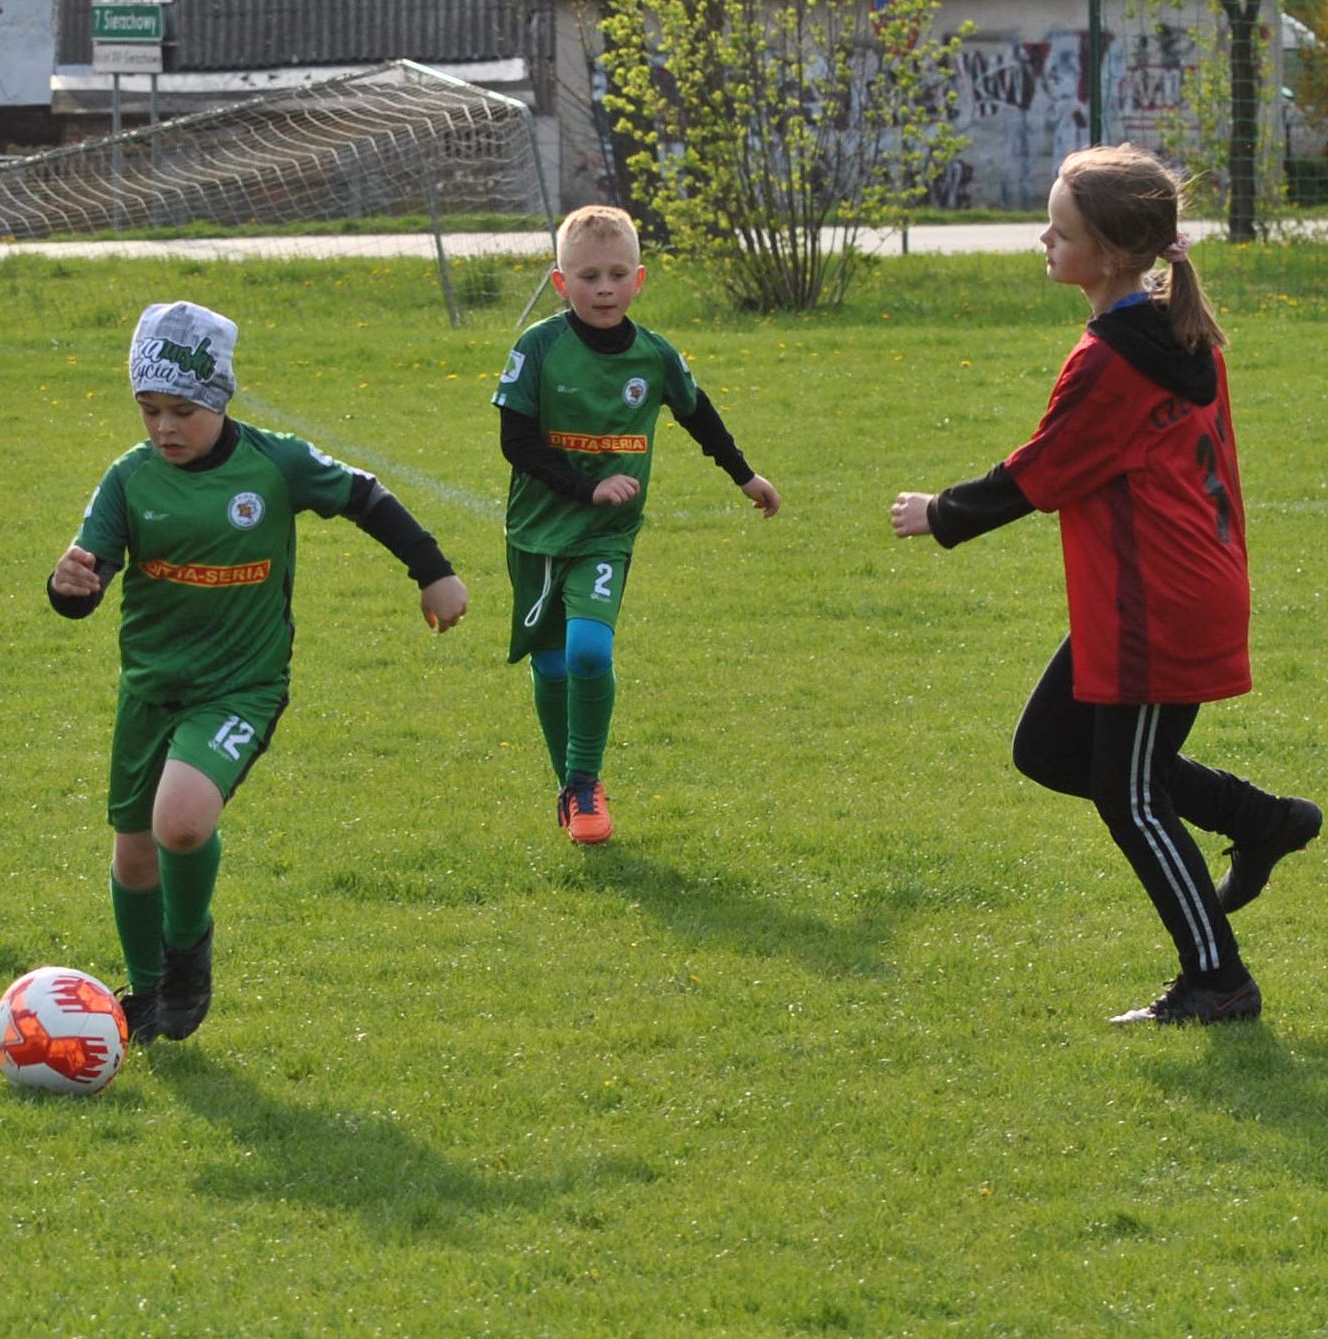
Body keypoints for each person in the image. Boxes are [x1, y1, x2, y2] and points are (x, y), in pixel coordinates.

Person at [889, 145, 1321, 1026]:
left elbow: (1044, 469)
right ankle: (1260, 820)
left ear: (1115, 253)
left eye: (1062, 229)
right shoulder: (1175, 334)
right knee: (1050, 749)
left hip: (1156, 606)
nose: (1043, 239)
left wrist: (943, 512)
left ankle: (1218, 979)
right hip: (1153, 596)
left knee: (1131, 797)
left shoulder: (1114, 361)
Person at [49, 301, 470, 1043]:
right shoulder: (129, 479)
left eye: (183, 411)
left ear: (221, 397)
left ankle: (186, 957)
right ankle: (147, 993)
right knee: (135, 852)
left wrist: (432, 572)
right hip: (149, 690)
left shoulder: (274, 464)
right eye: (149, 409)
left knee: (180, 821)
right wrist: (69, 586)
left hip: (240, 687)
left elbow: (366, 497)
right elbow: (90, 578)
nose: (164, 427)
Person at [493, 205, 781, 843]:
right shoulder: (538, 347)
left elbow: (697, 413)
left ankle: (584, 781)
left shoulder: (654, 355)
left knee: (589, 651)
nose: (605, 288)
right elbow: (516, 442)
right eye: (589, 276)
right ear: (562, 284)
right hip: (538, 530)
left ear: (639, 279)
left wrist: (745, 475)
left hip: (607, 533)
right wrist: (587, 487)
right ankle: (572, 790)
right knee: (552, 667)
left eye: (618, 274)